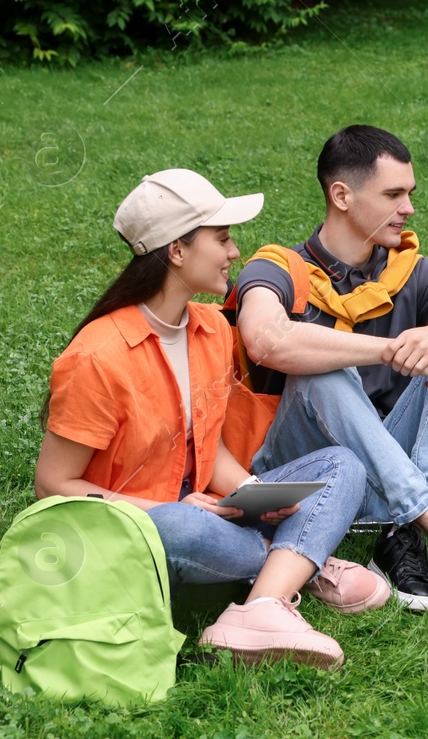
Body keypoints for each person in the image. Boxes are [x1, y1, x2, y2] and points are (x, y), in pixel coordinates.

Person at [35, 168, 385, 671]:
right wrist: (163, 507)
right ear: (176, 251)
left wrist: (258, 498)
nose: (235, 252)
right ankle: (301, 563)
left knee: (341, 466)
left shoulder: (213, 332)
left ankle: (257, 607)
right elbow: (52, 483)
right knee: (179, 525)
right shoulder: (97, 357)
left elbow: (210, 449)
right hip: (137, 528)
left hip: (212, 512)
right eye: (221, 239)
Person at [233, 126, 428, 616]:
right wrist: (390, 349)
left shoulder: (408, 269)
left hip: (387, 470)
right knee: (321, 369)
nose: (408, 207)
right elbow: (268, 339)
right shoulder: (279, 268)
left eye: (409, 193)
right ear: (341, 195)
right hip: (306, 473)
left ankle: (400, 525)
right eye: (393, 194)